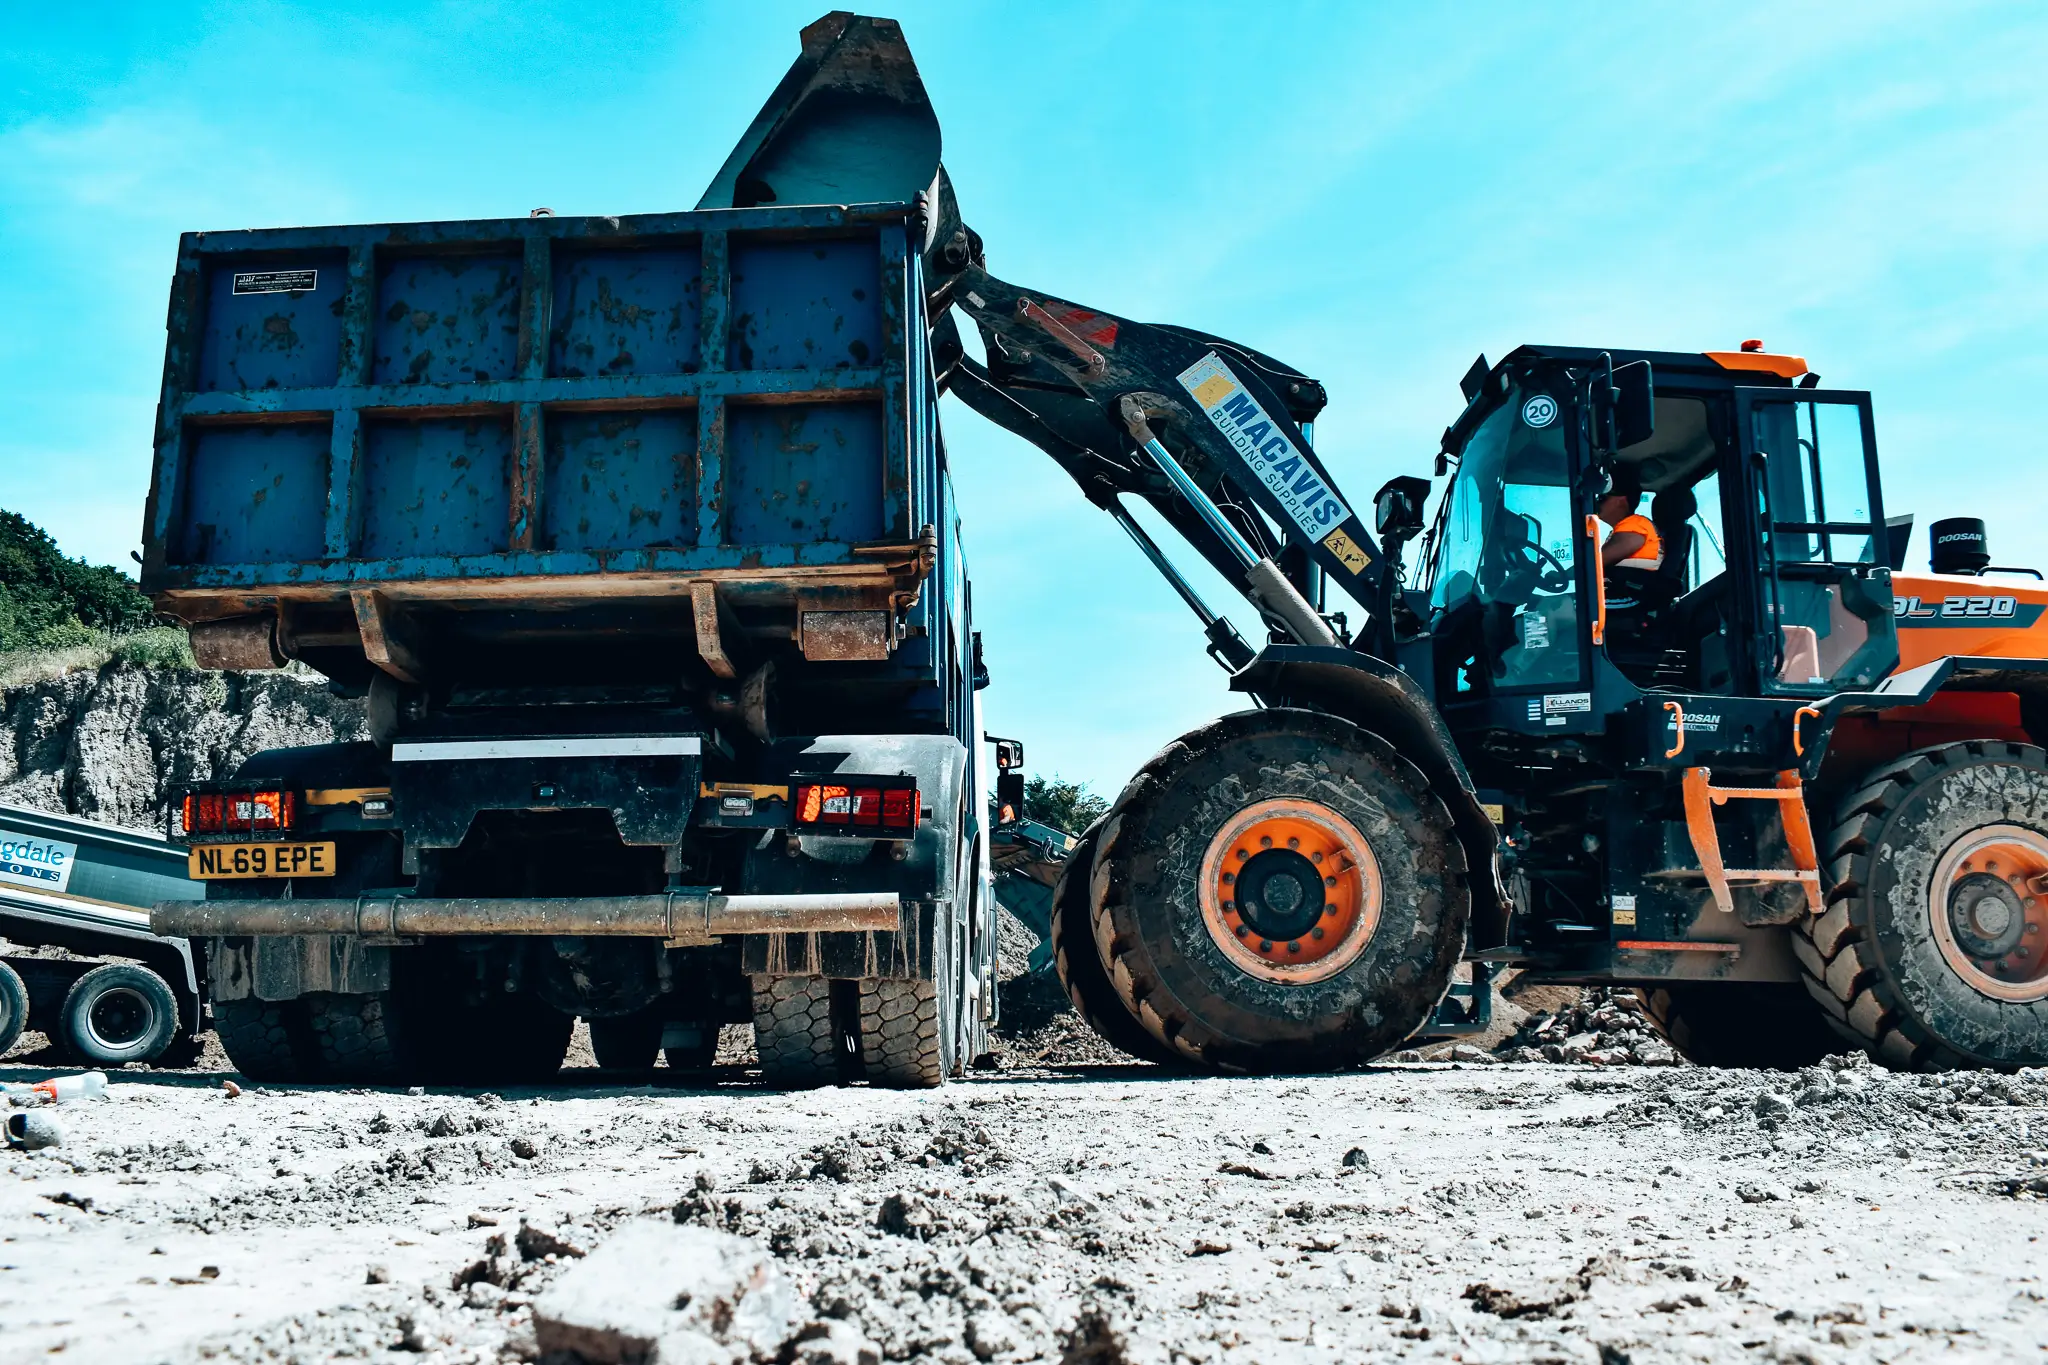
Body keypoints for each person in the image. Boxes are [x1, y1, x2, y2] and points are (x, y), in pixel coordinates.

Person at [1597, 471, 1663, 573]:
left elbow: (1595, 562)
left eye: (1602, 498)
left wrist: (1568, 573)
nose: (1597, 502)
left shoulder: (1636, 524)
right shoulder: (1628, 526)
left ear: (1621, 501)